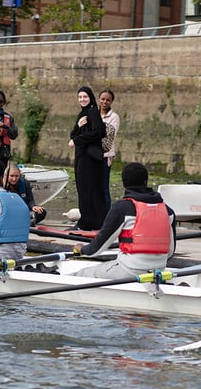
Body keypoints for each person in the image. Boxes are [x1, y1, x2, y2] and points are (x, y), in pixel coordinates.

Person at [74, 162, 176, 279]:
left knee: (81, 274)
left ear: (124, 184)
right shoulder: (168, 211)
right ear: (145, 182)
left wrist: (82, 249)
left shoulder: (122, 208)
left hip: (129, 270)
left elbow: (97, 248)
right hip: (158, 272)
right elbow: (170, 252)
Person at [68, 86, 107, 230]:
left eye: (85, 97)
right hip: (82, 157)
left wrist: (77, 140)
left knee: (90, 190)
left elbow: (98, 132)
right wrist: (78, 126)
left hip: (89, 159)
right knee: (84, 189)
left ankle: (90, 222)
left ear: (90, 97)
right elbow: (73, 134)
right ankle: (88, 220)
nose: (82, 99)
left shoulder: (92, 111)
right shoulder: (83, 114)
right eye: (80, 97)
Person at [99, 89, 120, 207]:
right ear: (98, 99)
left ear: (111, 102)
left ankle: (106, 216)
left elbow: (109, 137)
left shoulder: (114, 117)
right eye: (102, 99)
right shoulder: (93, 114)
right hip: (91, 156)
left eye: (108, 100)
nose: (105, 102)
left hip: (105, 156)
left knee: (104, 187)